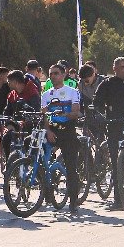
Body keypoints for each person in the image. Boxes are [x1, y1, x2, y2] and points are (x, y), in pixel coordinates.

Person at [40, 64, 84, 196]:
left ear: (63, 75)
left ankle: (73, 199)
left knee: (71, 167)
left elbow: (76, 112)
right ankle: (46, 189)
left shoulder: (72, 91)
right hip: (52, 130)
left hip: (67, 130)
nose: (53, 76)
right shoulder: (46, 94)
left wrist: (64, 114)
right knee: (32, 147)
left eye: (56, 73)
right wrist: (48, 131)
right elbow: (45, 116)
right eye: (51, 74)